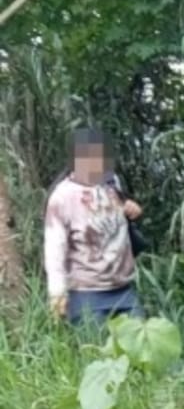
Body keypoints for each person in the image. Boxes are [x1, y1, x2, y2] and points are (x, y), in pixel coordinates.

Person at [44, 128, 145, 325]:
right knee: (95, 353)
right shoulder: (62, 197)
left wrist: (131, 210)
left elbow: (119, 215)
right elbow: (54, 249)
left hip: (124, 289)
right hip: (86, 294)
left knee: (141, 352)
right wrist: (57, 294)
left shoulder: (111, 182)